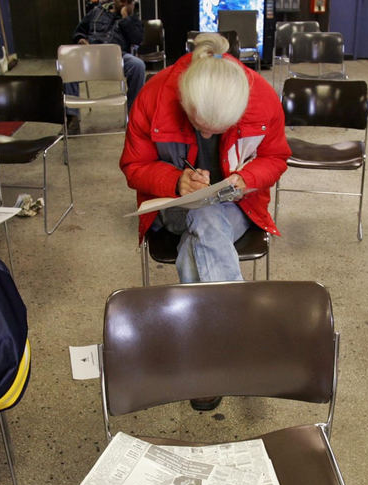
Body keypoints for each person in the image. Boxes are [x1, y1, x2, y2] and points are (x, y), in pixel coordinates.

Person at [120, 33, 289, 409]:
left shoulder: (261, 97)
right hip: (173, 207)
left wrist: (247, 178)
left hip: (238, 207)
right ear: (183, 99)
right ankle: (234, 342)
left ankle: (204, 353)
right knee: (204, 218)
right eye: (202, 126)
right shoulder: (154, 95)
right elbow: (133, 166)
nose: (210, 135)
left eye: (220, 128)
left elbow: (276, 157)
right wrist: (174, 180)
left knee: (206, 223)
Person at [66, 0, 145, 133]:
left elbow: (137, 39)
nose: (125, 4)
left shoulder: (133, 20)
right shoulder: (96, 11)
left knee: (138, 65)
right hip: (90, 55)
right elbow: (79, 30)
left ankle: (134, 115)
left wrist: (126, 19)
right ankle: (72, 117)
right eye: (122, 0)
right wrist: (80, 39)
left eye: (129, 2)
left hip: (117, 58)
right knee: (68, 62)